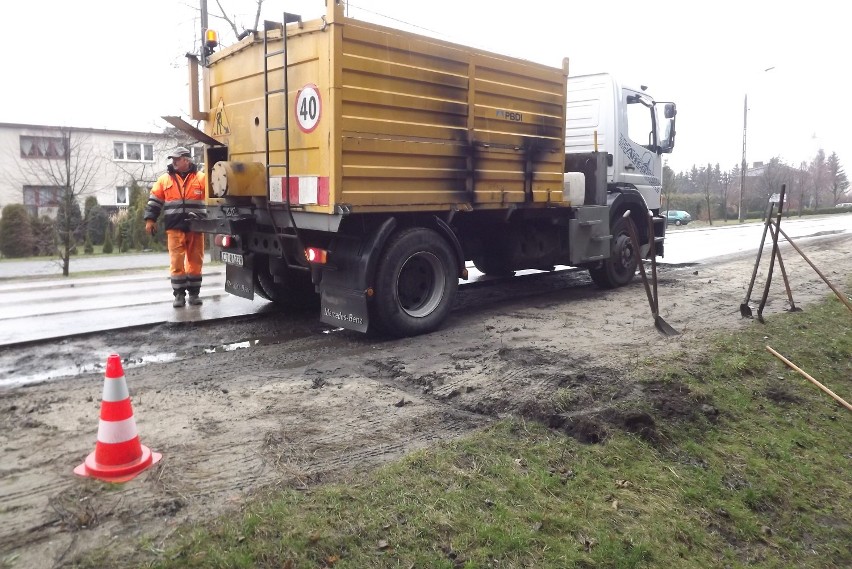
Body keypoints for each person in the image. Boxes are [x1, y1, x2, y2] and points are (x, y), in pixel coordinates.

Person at [144, 146, 207, 307]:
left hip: (196, 227)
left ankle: (194, 294)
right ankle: (179, 295)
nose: (174, 162)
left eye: (177, 159)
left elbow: (215, 198)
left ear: (186, 160)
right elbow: (155, 201)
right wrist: (150, 220)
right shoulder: (164, 180)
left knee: (195, 262)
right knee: (176, 263)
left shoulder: (201, 178)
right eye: (173, 159)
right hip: (174, 228)